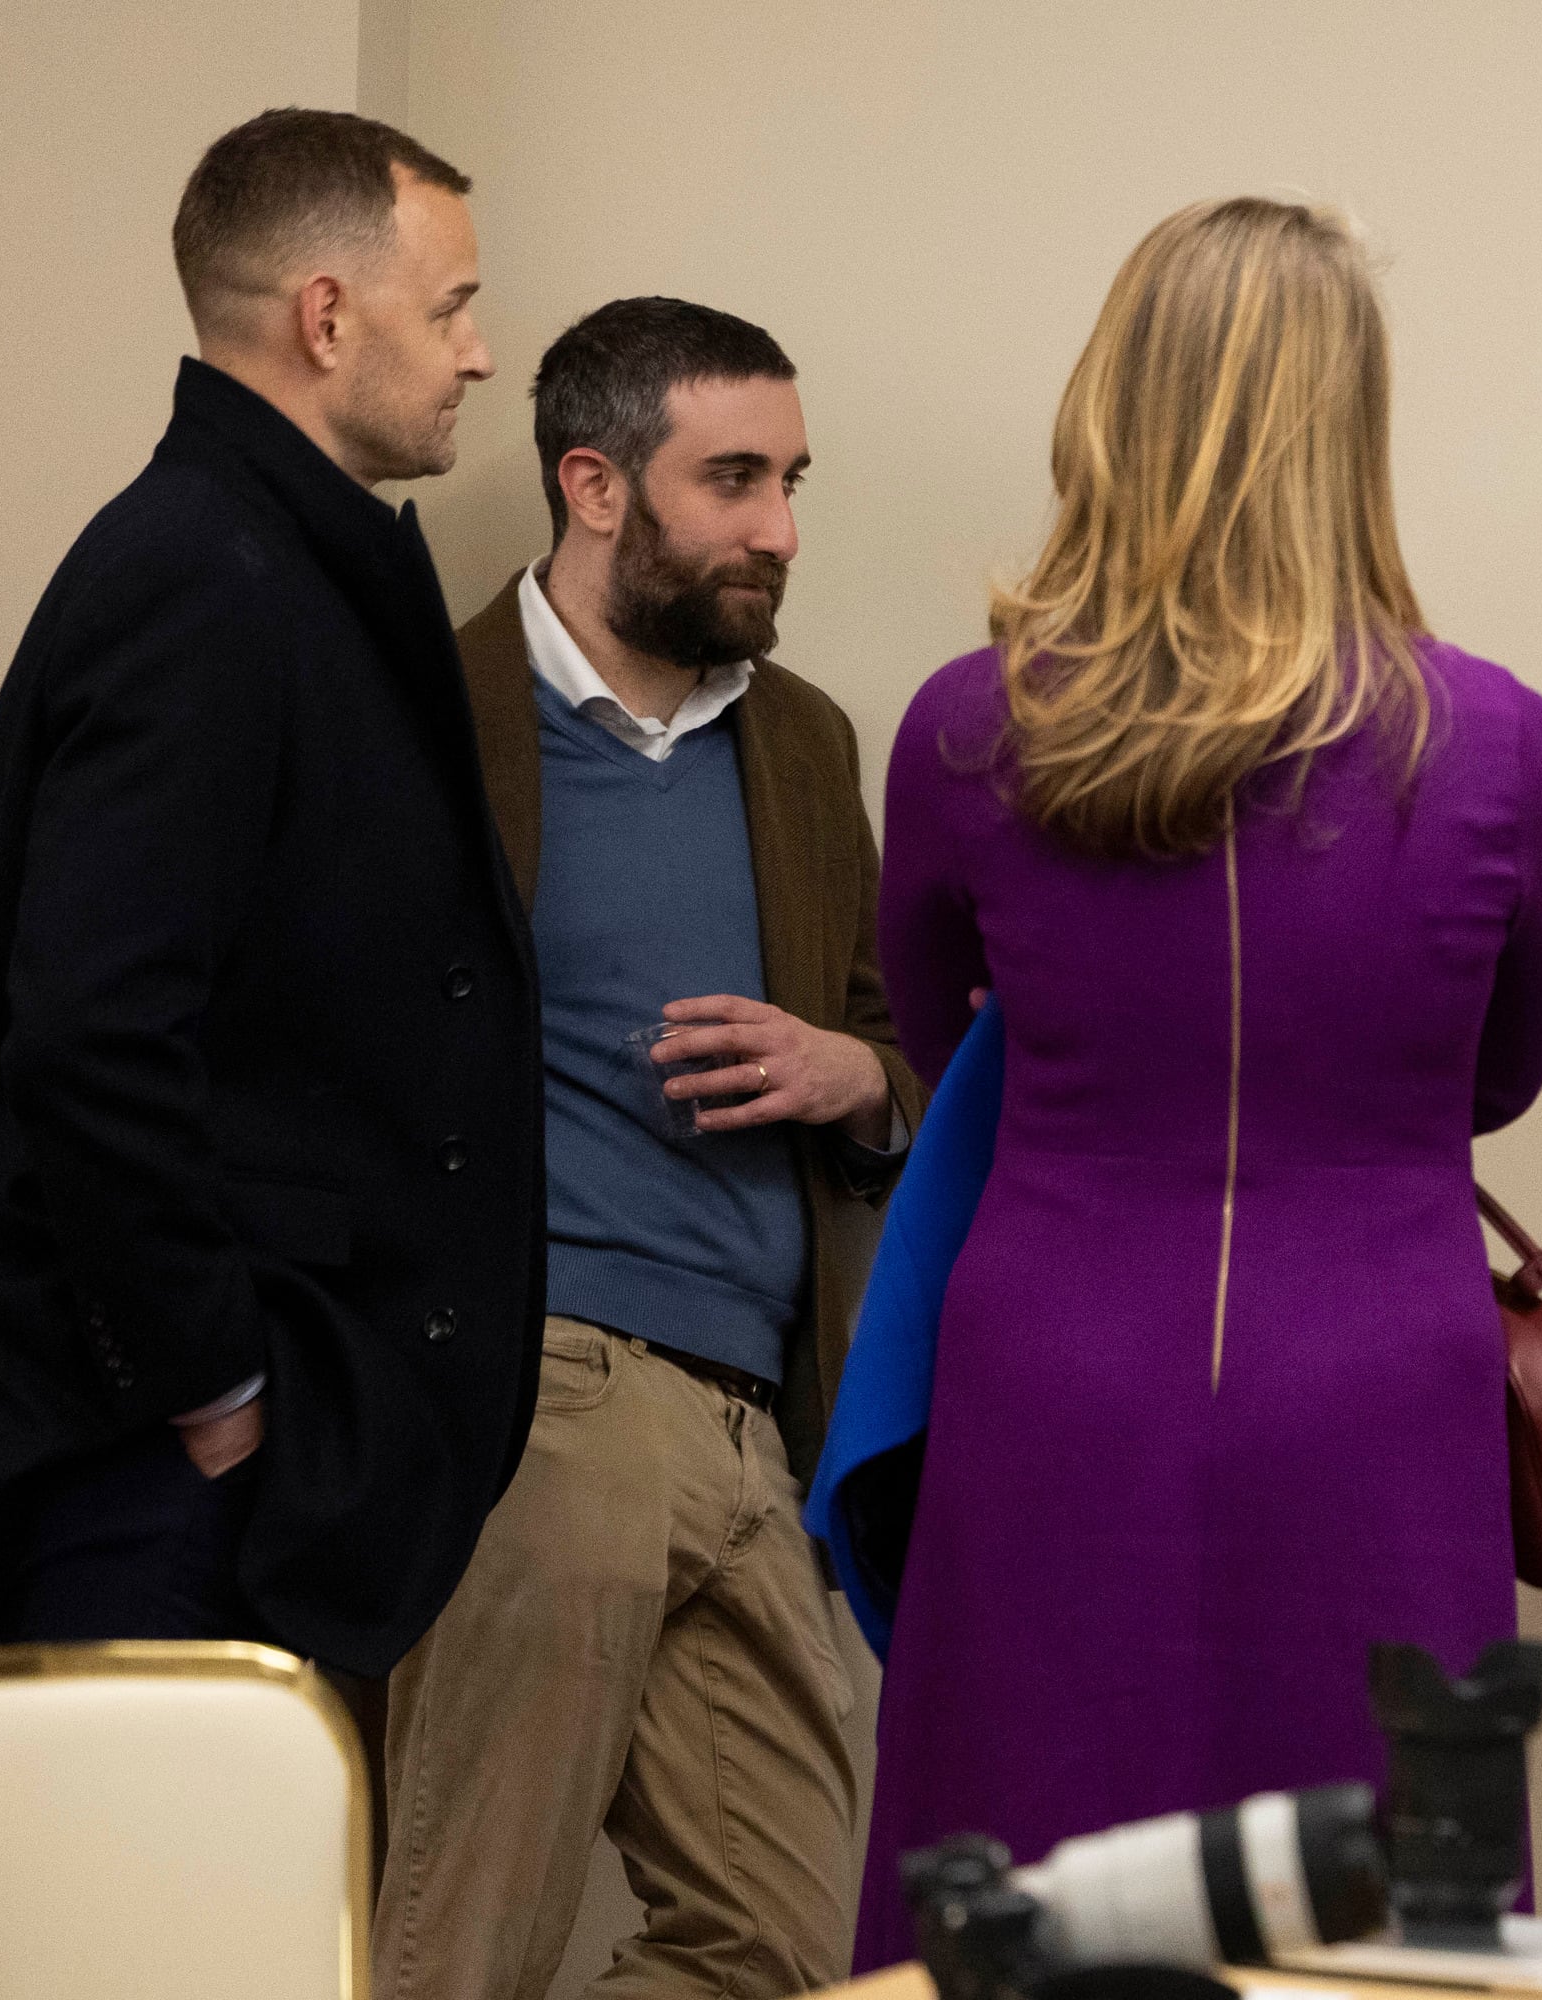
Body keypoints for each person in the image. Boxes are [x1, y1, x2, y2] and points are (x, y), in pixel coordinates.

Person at [850, 195, 1542, 1971]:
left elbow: (953, 1043)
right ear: (1353, 424)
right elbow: (1496, 1079)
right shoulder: (1501, 741)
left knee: (1023, 1880)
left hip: (1059, 1364)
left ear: (1116, 403)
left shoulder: (969, 725)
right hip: (1378, 1383)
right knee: (1382, 1907)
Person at [0, 108, 537, 1677]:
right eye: (454, 305)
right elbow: (88, 1034)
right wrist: (216, 1395)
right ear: (327, 318)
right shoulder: (204, 573)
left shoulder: (278, 561)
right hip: (161, 1470)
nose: (480, 353)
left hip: (241, 1468)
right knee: (117, 1929)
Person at [375, 298, 923, 2000]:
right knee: (467, 1938)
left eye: (792, 479)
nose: (780, 527)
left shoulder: (809, 740)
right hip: (547, 1402)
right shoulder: (419, 714)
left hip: (762, 1436)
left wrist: (856, 1073)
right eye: (735, 479)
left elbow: (901, 1050)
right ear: (596, 485)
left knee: (771, 1950)